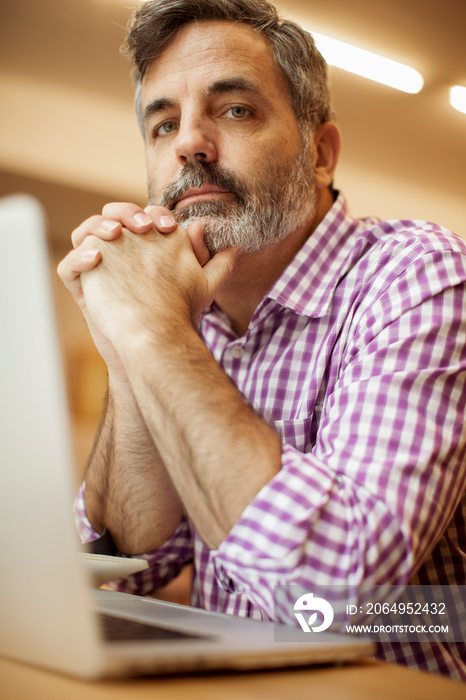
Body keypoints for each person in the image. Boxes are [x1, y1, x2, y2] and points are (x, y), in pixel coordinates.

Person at [58, 0, 466, 680]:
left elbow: (334, 597)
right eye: (163, 124)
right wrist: (133, 340)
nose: (189, 142)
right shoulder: (188, 318)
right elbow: (126, 564)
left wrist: (157, 335)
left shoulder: (419, 275)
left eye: (235, 109)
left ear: (321, 156)